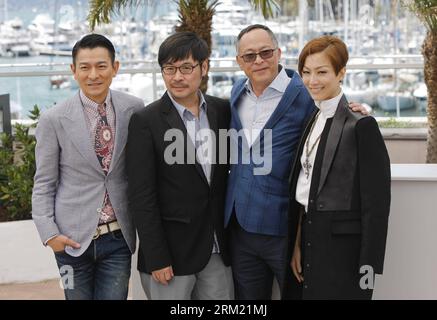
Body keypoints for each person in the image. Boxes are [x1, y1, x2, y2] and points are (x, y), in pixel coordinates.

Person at [224, 24, 368, 300]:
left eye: (265, 52)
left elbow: (333, 115)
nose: (259, 61)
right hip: (240, 227)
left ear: (279, 52)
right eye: (249, 56)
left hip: (284, 228)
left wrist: (356, 110)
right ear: (239, 62)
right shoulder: (235, 93)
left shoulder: (303, 92)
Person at [32, 34, 145, 300]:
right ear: (73, 71)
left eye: (101, 66)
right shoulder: (53, 119)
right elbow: (44, 182)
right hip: (70, 242)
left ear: (115, 68)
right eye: (85, 67)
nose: (93, 74)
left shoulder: (134, 109)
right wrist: (50, 235)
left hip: (118, 238)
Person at [281, 35, 391, 300]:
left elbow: (376, 205)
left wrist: (369, 267)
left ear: (341, 72)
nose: (312, 80)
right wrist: (296, 244)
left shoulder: (361, 125)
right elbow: (304, 188)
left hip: (343, 253)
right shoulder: (313, 117)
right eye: (306, 72)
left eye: (322, 72)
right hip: (306, 239)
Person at [126, 31, 233, 300]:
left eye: (186, 67)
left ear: (204, 67)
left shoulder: (222, 111)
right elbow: (142, 196)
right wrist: (156, 256)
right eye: (169, 69)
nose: (177, 77)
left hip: (217, 250)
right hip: (171, 257)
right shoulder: (146, 121)